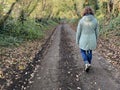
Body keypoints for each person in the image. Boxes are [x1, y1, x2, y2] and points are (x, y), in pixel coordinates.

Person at [76, 6, 99, 72]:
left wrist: (77, 40)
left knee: (82, 51)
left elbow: (78, 32)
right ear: (92, 12)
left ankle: (86, 63)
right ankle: (89, 63)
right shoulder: (95, 20)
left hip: (83, 39)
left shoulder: (81, 21)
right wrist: (96, 39)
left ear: (84, 12)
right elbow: (97, 32)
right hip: (92, 39)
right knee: (90, 51)